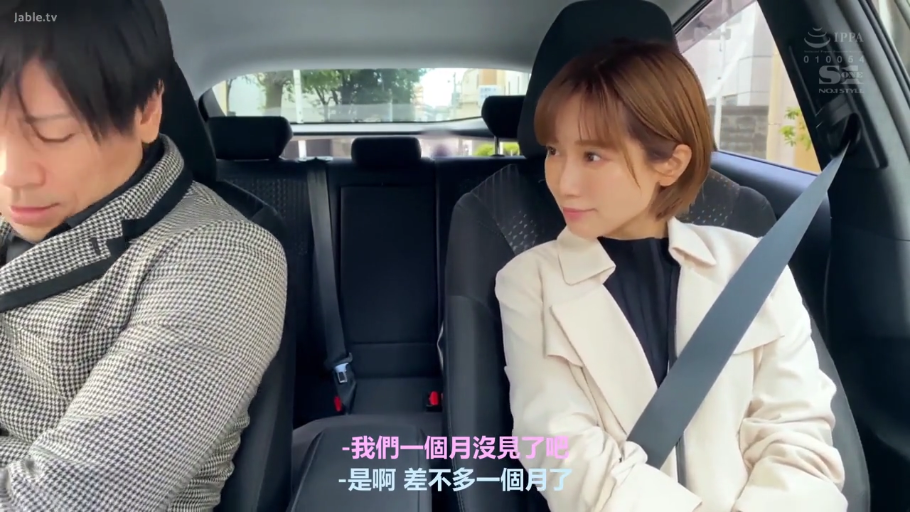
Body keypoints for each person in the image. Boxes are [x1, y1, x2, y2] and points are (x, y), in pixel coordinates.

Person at [495, 41, 846, 511]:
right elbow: (559, 445)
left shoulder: (755, 267)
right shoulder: (529, 281)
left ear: (670, 163)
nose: (563, 181)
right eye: (555, 151)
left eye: (593, 156)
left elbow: (798, 433)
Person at [0, 1, 286, 510]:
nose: (12, 175)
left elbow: (70, 497)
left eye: (54, 133)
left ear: (146, 111)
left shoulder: (222, 256)